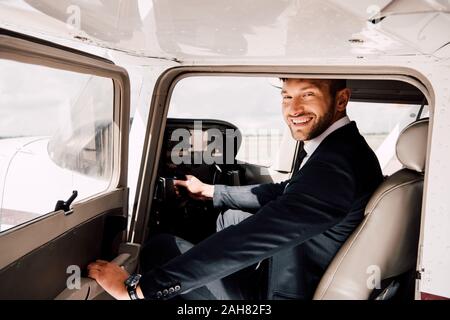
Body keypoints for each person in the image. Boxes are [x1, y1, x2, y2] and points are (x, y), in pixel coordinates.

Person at [87, 78, 383, 300]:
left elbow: (260, 234)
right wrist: (212, 192)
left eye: (308, 95)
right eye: (287, 97)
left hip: (278, 295)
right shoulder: (341, 148)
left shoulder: (336, 163)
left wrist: (140, 288)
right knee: (226, 219)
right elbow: (286, 193)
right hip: (294, 270)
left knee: (162, 247)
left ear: (341, 99)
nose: (294, 109)